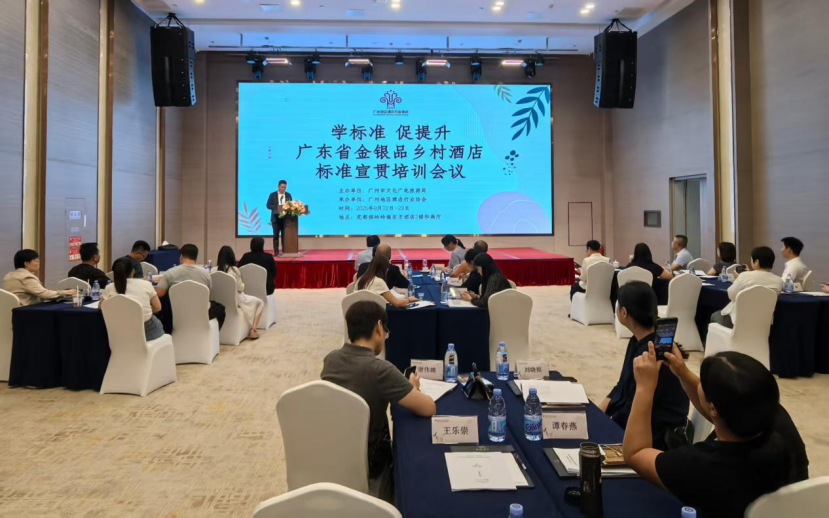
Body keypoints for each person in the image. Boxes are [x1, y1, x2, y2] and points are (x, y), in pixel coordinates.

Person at [623, 346, 809, 517]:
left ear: (714, 408)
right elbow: (723, 410)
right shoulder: (774, 420)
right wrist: (682, 372)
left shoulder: (701, 464)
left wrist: (644, 388)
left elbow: (635, 453)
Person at [322, 301, 436, 501]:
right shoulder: (381, 370)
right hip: (372, 461)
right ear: (379, 328)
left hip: (333, 451)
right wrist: (414, 388)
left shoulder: (330, 359)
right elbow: (428, 408)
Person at [597, 281, 689, 449]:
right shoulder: (638, 341)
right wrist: (599, 411)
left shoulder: (651, 354)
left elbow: (633, 407)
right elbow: (622, 386)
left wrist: (605, 425)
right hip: (640, 418)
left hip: (654, 434)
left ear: (623, 312)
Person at [710, 246, 783, 329]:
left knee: (714, 316)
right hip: (762, 323)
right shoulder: (778, 281)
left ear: (757, 262)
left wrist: (738, 279)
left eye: (751, 260)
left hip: (736, 320)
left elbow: (731, 294)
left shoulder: (744, 276)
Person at [154, 244, 225, 328]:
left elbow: (159, 293)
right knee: (220, 308)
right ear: (196, 257)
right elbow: (208, 294)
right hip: (200, 311)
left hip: (176, 313)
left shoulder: (170, 273)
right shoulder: (206, 274)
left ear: (181, 256)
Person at [100, 258, 164, 340]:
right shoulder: (146, 284)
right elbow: (158, 307)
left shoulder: (109, 287)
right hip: (147, 330)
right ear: (133, 271)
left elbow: (101, 306)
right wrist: (143, 310)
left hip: (119, 332)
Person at [217, 246, 264, 339]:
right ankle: (254, 329)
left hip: (220, 300)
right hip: (237, 299)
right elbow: (240, 288)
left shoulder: (214, 270)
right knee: (260, 303)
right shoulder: (234, 270)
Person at [3, 249, 75, 306]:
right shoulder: (26, 277)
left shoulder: (9, 275)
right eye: (36, 261)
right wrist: (67, 292)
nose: (38, 264)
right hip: (25, 311)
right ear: (26, 263)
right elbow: (45, 294)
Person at [266, 180, 292, 256]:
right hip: (275, 219)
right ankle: (276, 252)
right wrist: (277, 208)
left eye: (285, 187)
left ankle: (285, 251)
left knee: (285, 236)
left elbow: (291, 205)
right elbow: (268, 205)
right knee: (276, 236)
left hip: (285, 219)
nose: (283, 189)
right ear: (278, 186)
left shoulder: (288, 195)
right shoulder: (272, 195)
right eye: (282, 187)